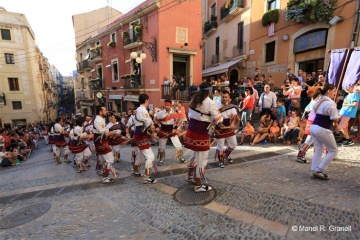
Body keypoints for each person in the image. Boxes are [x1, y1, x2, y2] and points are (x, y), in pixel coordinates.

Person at [184, 81, 222, 192]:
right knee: (202, 160)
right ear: (209, 90)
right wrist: (221, 117)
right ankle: (199, 184)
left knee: (195, 156)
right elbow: (218, 118)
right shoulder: (210, 102)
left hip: (191, 132)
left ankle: (190, 176)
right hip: (201, 134)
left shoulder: (194, 99)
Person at [310, 84, 340, 180]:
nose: (335, 93)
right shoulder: (330, 103)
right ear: (329, 91)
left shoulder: (318, 101)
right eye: (334, 91)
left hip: (314, 127)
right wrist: (338, 124)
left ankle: (314, 169)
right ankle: (319, 169)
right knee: (333, 151)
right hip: (323, 128)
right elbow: (334, 118)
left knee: (318, 149)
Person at [132, 94, 157, 183]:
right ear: (146, 100)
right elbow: (150, 125)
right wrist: (154, 130)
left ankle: (135, 170)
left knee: (140, 154)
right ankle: (147, 177)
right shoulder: (143, 110)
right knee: (150, 156)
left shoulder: (139, 110)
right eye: (148, 100)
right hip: (141, 136)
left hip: (139, 134)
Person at [154, 99, 185, 166]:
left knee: (178, 145)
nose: (166, 106)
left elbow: (179, 120)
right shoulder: (161, 113)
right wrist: (157, 127)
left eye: (168, 105)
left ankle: (181, 157)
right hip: (163, 130)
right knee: (161, 147)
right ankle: (161, 159)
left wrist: (175, 128)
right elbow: (155, 119)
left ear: (171, 105)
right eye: (165, 105)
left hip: (172, 130)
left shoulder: (174, 113)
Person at [93, 106, 118, 183]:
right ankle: (105, 177)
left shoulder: (101, 119)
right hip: (101, 142)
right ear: (100, 112)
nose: (106, 111)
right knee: (110, 159)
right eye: (104, 110)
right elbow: (103, 133)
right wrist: (112, 133)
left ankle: (102, 172)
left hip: (101, 141)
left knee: (102, 158)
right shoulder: (98, 120)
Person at [214, 90, 239, 168]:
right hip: (219, 128)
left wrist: (232, 124)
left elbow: (235, 116)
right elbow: (215, 118)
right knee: (220, 146)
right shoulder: (215, 106)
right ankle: (221, 161)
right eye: (223, 97)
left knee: (233, 144)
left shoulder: (231, 106)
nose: (224, 98)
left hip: (229, 127)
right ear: (220, 96)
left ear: (229, 98)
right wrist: (220, 125)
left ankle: (225, 155)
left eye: (226, 97)